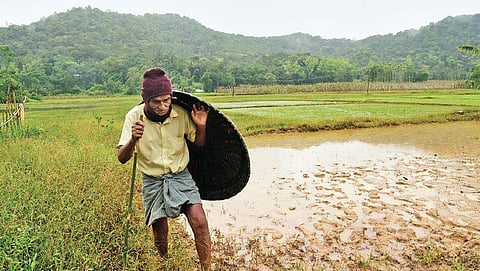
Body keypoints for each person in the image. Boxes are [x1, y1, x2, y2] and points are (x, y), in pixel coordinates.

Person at [117, 67, 211, 270]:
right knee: (159, 229)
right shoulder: (134, 117)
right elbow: (122, 158)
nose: (162, 106)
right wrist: (134, 138)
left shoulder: (181, 113)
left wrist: (201, 126)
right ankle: (164, 263)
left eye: (166, 100)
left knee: (199, 221)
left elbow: (200, 144)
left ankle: (206, 268)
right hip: (152, 178)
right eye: (156, 102)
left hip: (180, 175)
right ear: (146, 101)